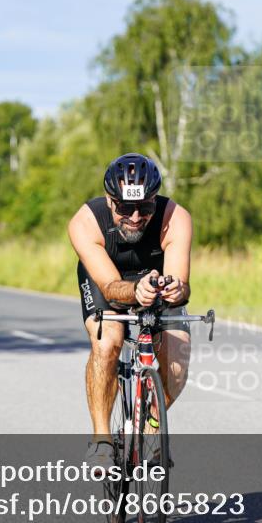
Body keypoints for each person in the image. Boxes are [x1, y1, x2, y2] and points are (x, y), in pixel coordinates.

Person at [68, 153, 193, 469]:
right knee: (107, 342)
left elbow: (181, 285)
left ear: (155, 200)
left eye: (145, 207)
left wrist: (177, 290)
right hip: (107, 281)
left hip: (154, 281)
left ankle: (149, 426)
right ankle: (101, 441)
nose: (135, 217)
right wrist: (135, 290)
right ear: (109, 200)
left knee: (177, 358)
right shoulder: (86, 223)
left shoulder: (176, 217)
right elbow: (110, 287)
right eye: (124, 208)